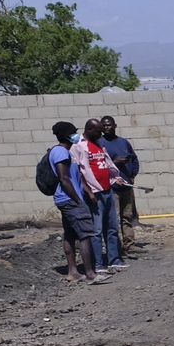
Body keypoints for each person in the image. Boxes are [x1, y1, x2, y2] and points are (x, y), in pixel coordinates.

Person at [47, 121, 109, 284]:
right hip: (69, 200)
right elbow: (64, 178)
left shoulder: (67, 152)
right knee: (85, 235)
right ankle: (90, 274)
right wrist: (77, 200)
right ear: (66, 135)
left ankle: (73, 272)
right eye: (74, 132)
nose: (77, 135)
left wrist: (86, 192)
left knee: (70, 234)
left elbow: (77, 177)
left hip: (68, 199)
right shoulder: (60, 152)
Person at [75, 118, 126, 271]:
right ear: (90, 129)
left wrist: (115, 178)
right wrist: (89, 191)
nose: (101, 134)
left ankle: (114, 259)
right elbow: (81, 171)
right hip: (95, 193)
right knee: (96, 230)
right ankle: (98, 263)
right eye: (99, 131)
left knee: (111, 227)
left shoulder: (98, 144)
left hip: (107, 190)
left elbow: (106, 164)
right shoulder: (80, 147)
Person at [98, 115, 140, 258]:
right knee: (113, 219)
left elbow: (134, 159)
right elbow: (99, 167)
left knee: (127, 216)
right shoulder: (99, 144)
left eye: (109, 125)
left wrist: (132, 175)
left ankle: (130, 244)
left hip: (126, 187)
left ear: (115, 126)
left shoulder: (123, 142)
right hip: (112, 188)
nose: (106, 127)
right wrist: (115, 163)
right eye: (104, 125)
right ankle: (116, 249)